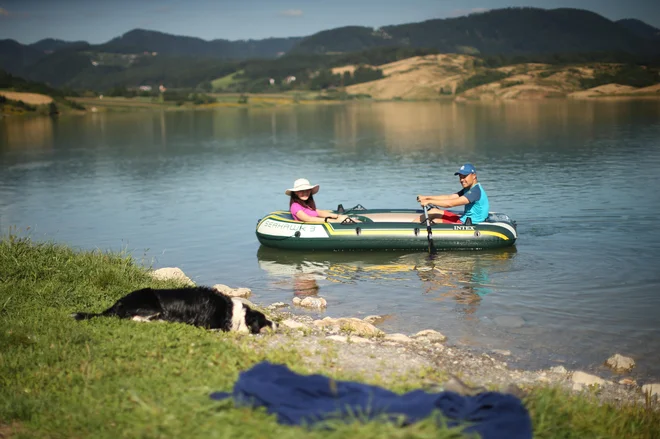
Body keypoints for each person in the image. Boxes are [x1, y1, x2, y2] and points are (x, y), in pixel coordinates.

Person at [416, 163, 490, 225]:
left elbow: (450, 204)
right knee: (434, 211)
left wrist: (429, 202)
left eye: (464, 177)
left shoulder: (475, 191)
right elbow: (450, 197)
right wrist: (426, 198)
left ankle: (412, 230)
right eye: (460, 177)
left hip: (470, 224)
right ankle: (411, 227)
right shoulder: (468, 189)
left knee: (436, 221)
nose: (461, 180)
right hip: (464, 219)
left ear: (474, 176)